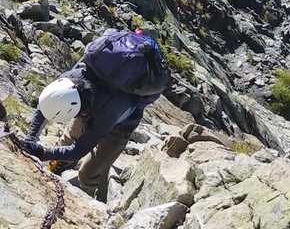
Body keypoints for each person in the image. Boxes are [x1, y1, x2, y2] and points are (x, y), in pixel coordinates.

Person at [11, 28, 170, 201]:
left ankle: (95, 200)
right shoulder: (71, 79)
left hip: (122, 124)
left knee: (91, 171)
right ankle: (57, 167)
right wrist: (31, 138)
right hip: (95, 102)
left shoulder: (110, 110)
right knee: (68, 138)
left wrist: (42, 152)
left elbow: (78, 150)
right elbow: (45, 106)